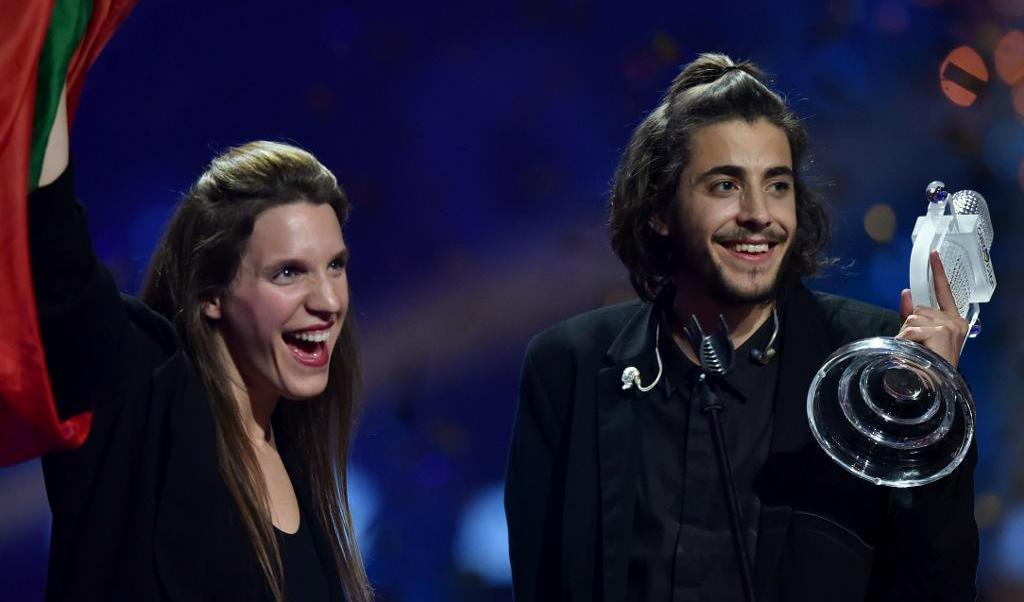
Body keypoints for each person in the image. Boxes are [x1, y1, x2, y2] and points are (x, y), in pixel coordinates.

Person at [504, 53, 978, 601]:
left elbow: (938, 586)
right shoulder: (571, 368)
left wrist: (935, 415)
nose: (759, 214)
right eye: (725, 185)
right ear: (660, 209)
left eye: (777, 185)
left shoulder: (870, 367)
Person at [27, 79, 373, 600]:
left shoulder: (296, 456)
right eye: (288, 273)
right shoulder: (139, 399)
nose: (327, 300)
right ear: (212, 294)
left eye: (335, 266)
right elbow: (52, 249)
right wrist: (41, 51)